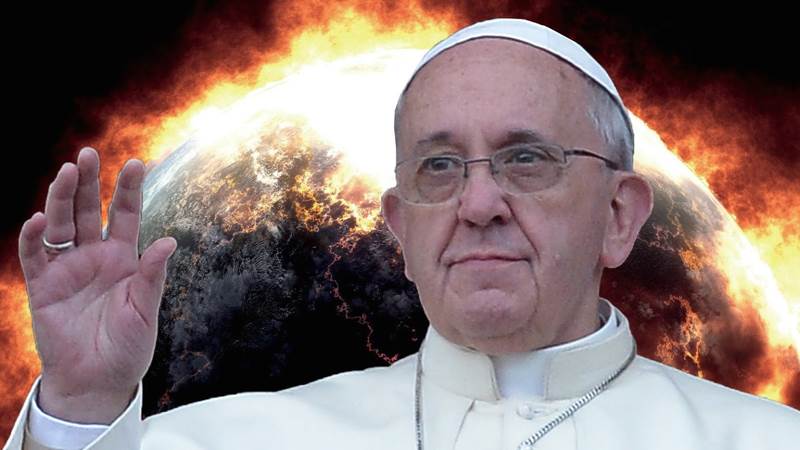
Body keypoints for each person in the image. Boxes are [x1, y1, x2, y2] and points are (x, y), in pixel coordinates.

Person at [4, 17, 799, 450]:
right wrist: (84, 402)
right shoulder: (236, 439)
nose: (478, 203)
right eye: (439, 167)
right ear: (401, 228)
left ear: (619, 215)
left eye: (526, 159)